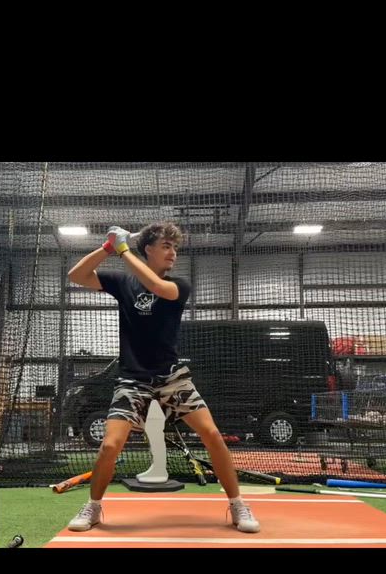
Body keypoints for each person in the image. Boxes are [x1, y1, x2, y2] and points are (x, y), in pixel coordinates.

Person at [64, 221, 260, 533]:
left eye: (175, 248)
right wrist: (107, 248)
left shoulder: (179, 285)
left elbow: (156, 287)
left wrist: (122, 250)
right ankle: (94, 507)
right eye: (166, 246)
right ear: (149, 250)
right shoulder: (123, 282)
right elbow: (76, 275)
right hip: (132, 379)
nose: (173, 253)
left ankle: (237, 504)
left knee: (211, 435)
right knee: (110, 445)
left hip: (171, 377)